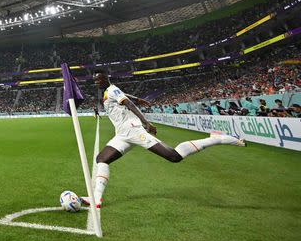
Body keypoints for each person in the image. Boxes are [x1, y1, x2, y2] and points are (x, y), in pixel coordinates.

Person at [88, 71, 245, 209]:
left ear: (106, 78)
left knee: (174, 156)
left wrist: (146, 122)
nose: (97, 82)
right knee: (102, 159)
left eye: (99, 79)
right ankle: (96, 198)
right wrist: (139, 98)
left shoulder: (111, 89)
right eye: (94, 80)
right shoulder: (110, 91)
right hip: (122, 133)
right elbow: (124, 96)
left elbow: (127, 103)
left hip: (133, 130)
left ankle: (217, 139)